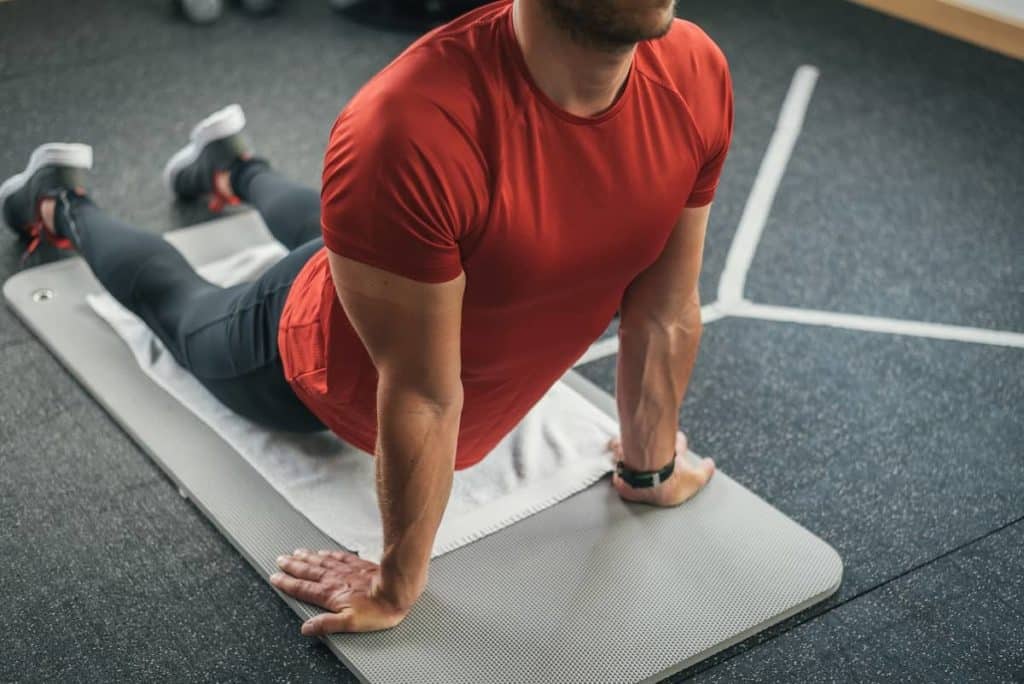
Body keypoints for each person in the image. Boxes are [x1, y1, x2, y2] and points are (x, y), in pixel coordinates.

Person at [1, 0, 732, 635]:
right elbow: (422, 391)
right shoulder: (410, 128)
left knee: (392, 227)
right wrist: (394, 585)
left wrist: (650, 467)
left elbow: (665, 310)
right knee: (182, 310)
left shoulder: (695, 73)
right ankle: (59, 198)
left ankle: (231, 165)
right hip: (312, 367)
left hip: (427, 249)